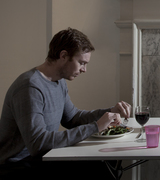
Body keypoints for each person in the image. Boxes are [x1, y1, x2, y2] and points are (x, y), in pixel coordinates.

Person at [0, 27, 131, 179]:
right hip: (20, 167)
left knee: (106, 163)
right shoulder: (30, 87)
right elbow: (38, 143)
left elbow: (73, 118)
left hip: (44, 159)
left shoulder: (58, 82)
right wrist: (96, 127)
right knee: (99, 169)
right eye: (81, 63)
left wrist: (110, 112)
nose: (84, 69)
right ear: (63, 55)